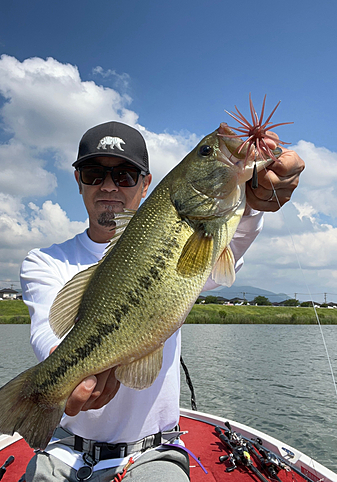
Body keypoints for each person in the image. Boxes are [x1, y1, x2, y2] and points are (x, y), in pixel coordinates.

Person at [20, 121, 304, 482]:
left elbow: (224, 258)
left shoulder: (194, 230)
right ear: (78, 180)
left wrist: (253, 203)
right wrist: (67, 374)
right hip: (64, 449)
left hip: (154, 453)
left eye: (124, 174)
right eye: (94, 173)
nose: (109, 185)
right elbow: (47, 332)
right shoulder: (43, 261)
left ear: (146, 183)